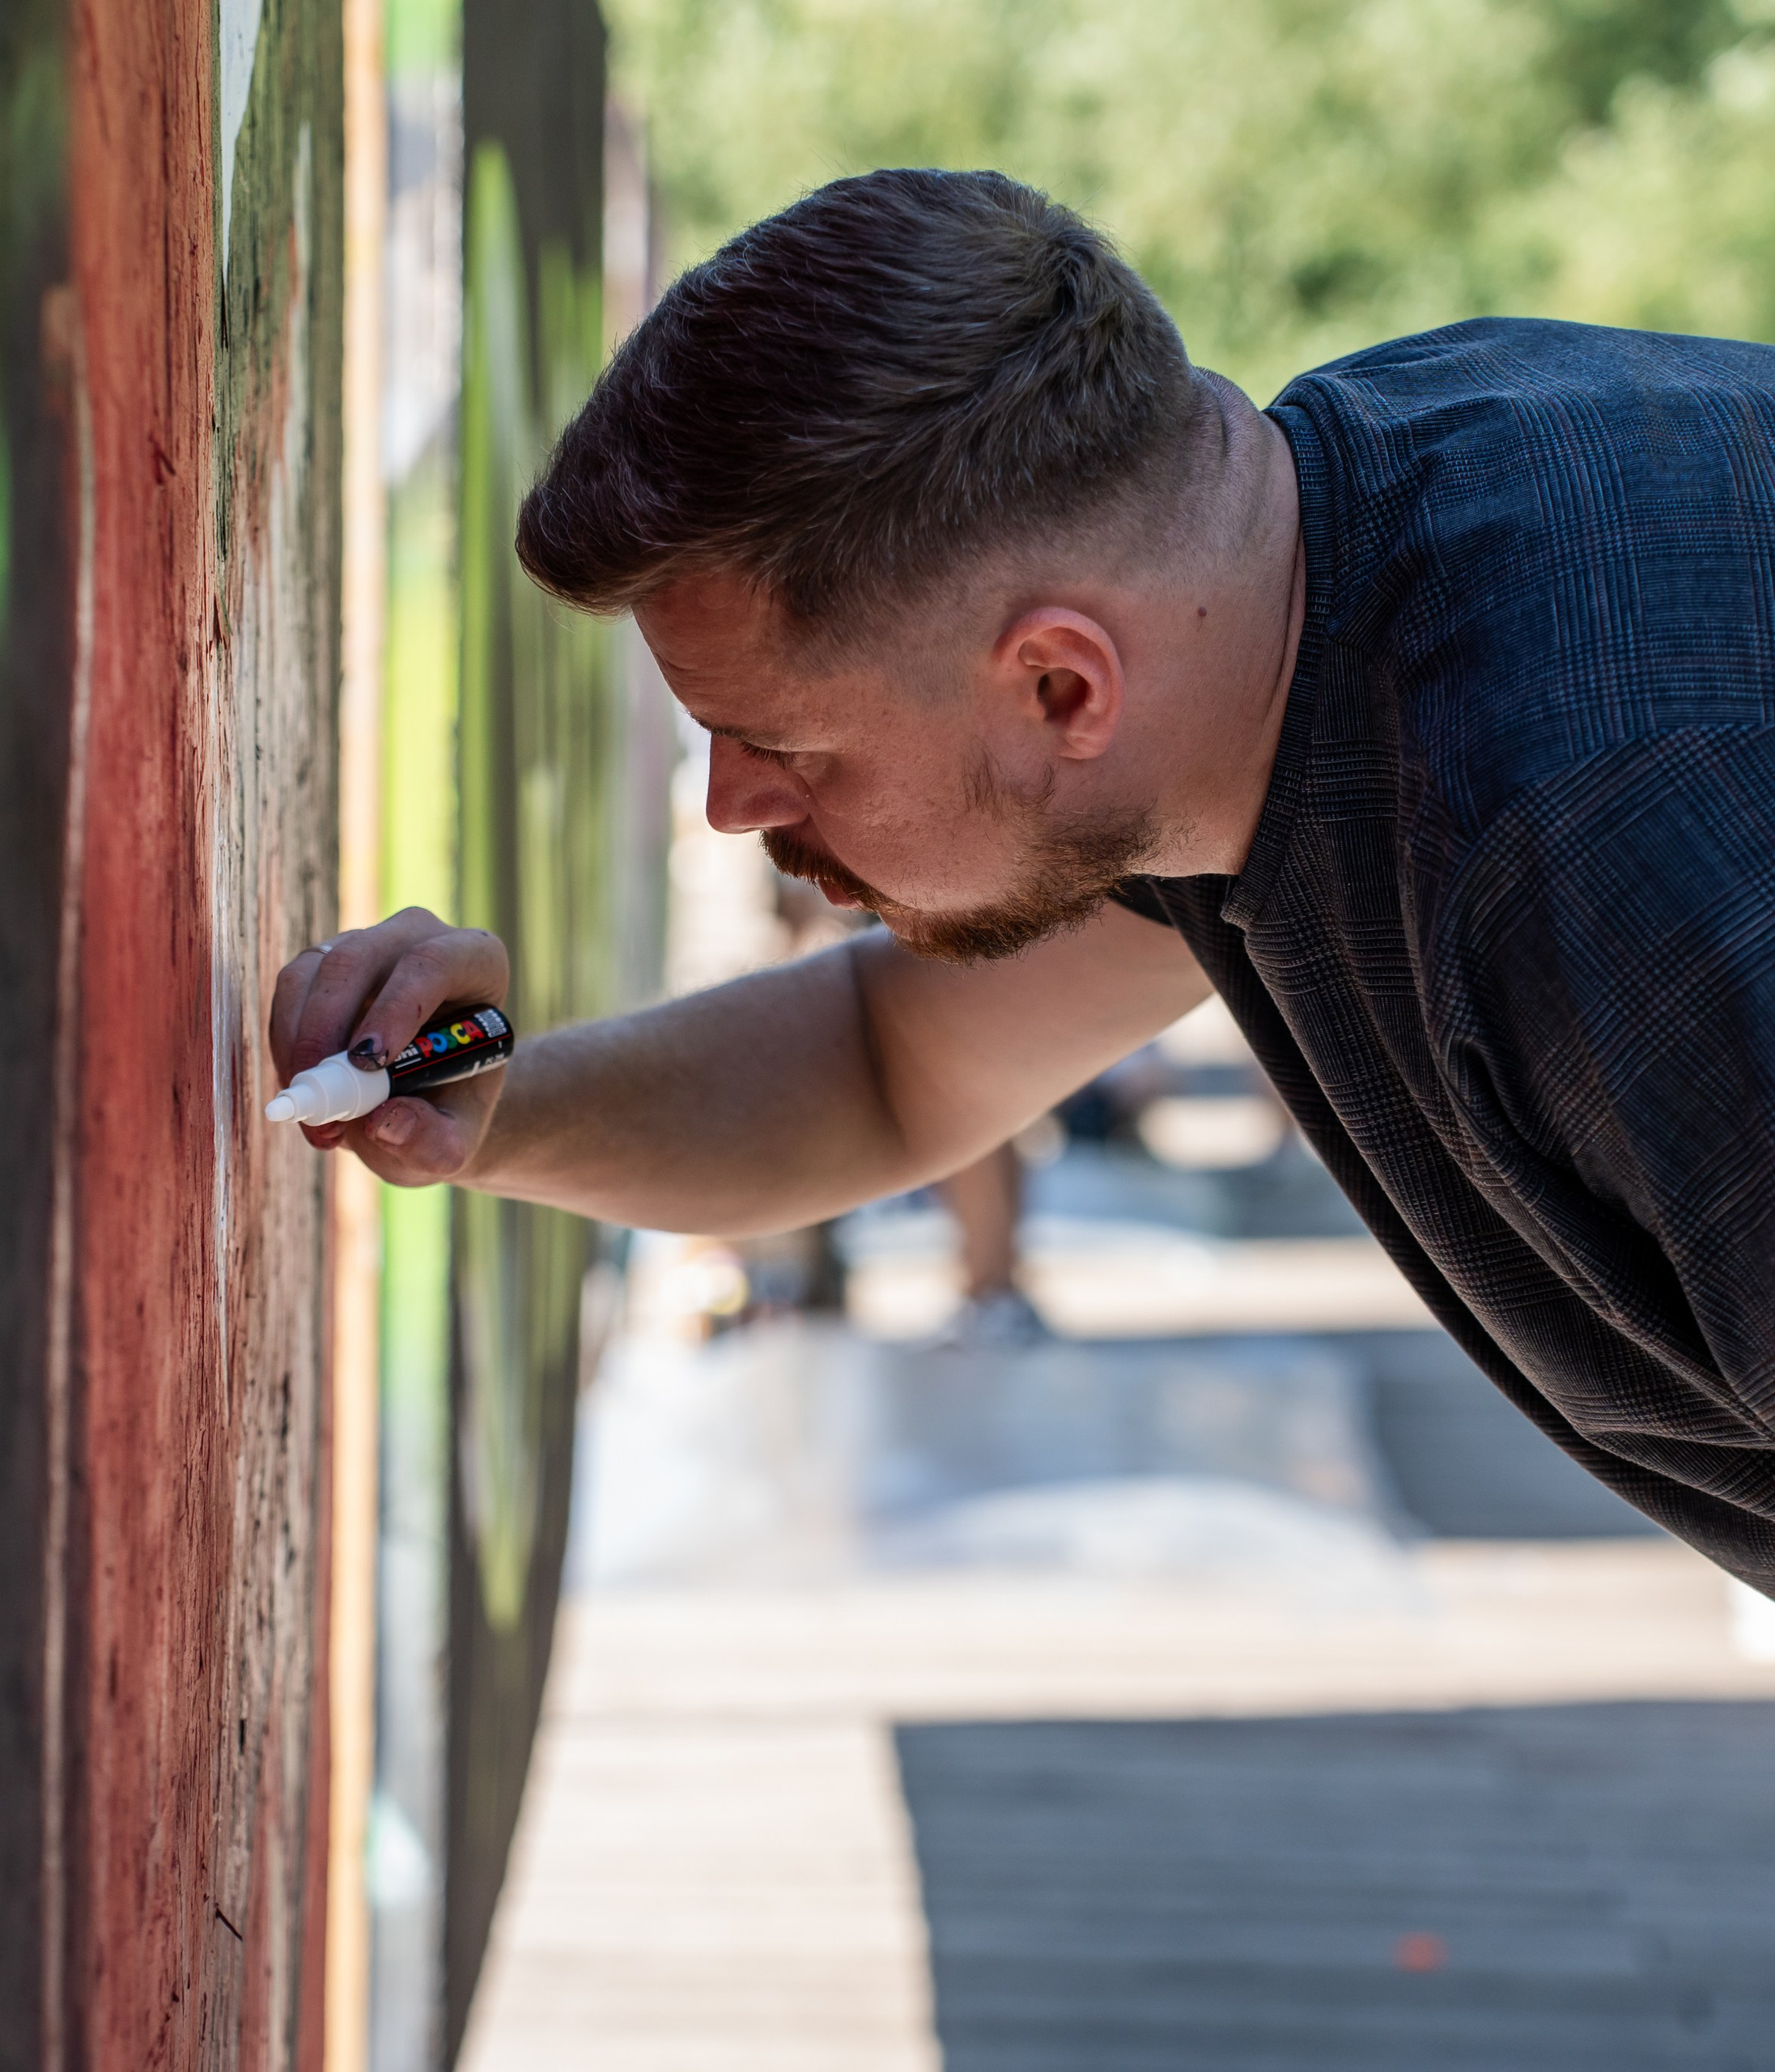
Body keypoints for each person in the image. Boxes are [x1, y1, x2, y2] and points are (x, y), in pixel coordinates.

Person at [271, 168, 1775, 1594]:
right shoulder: (1285, 601)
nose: (731, 808)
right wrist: (481, 1102)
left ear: (1061, 688)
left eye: (782, 744)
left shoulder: (1606, 831)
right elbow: (887, 1068)